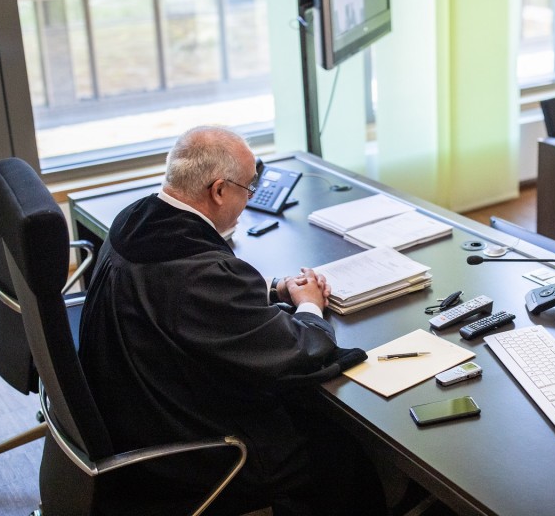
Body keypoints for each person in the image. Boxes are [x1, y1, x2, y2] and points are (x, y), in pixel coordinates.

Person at [78, 126, 386, 515]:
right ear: (219, 190)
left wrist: (272, 288)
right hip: (189, 452)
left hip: (131, 412)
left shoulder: (135, 220)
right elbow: (299, 353)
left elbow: (185, 302)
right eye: (248, 188)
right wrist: (309, 305)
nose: (249, 198)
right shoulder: (199, 275)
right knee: (341, 451)